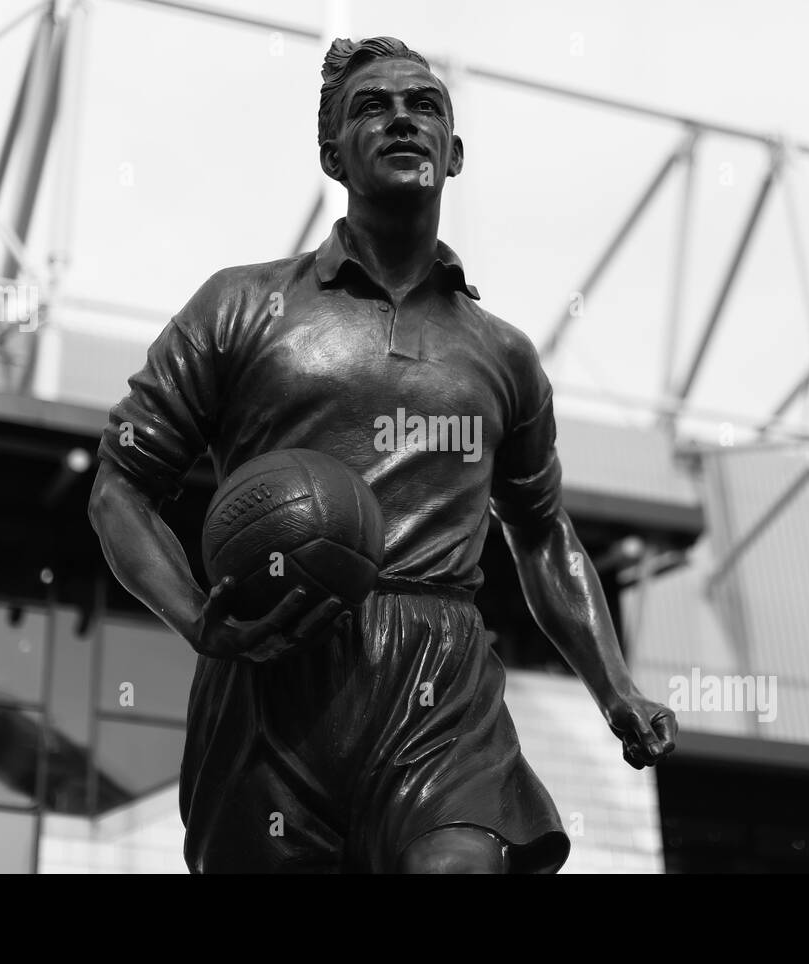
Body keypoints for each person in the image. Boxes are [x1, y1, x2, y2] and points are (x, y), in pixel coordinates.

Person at [88, 36, 677, 874]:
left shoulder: (504, 355)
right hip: (275, 669)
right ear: (332, 153)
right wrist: (199, 621)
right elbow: (120, 488)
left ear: (455, 153)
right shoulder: (240, 305)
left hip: (441, 678)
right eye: (373, 106)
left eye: (424, 105)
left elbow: (543, 535)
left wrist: (618, 693)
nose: (402, 117)